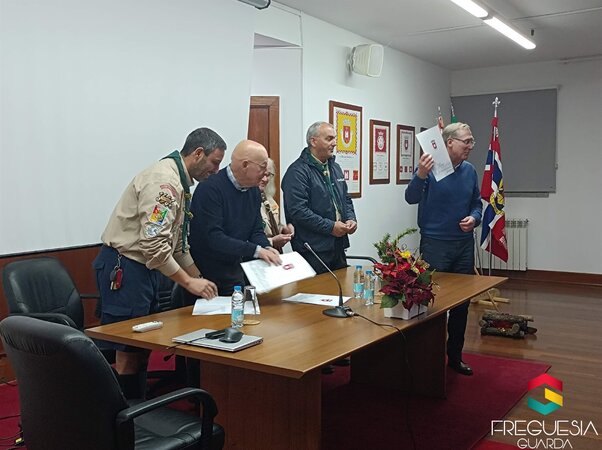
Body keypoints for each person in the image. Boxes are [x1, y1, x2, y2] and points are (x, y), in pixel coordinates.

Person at [93, 127, 225, 398]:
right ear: (198, 153)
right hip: (126, 268)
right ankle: (126, 414)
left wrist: (199, 279)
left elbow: (177, 246)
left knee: (143, 347)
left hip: (144, 269)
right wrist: (188, 282)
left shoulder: (180, 183)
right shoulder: (164, 184)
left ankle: (139, 404)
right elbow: (153, 246)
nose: (216, 170)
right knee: (129, 349)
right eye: (214, 162)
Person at [405, 122, 482, 376]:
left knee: (461, 305)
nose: (471, 146)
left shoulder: (470, 171)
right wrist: (420, 174)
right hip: (435, 245)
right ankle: (428, 358)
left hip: (463, 246)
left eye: (471, 141)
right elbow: (410, 197)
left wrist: (474, 219)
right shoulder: (430, 167)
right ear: (449, 143)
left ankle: (455, 357)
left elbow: (477, 204)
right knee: (431, 303)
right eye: (466, 141)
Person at [189, 140, 281, 296]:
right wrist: (256, 251)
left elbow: (256, 229)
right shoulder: (210, 188)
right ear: (245, 165)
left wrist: (266, 247)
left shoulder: (253, 190)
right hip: (205, 277)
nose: (265, 174)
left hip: (234, 272)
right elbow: (213, 237)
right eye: (262, 167)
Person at [281, 121, 357, 274]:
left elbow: (345, 199)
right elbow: (299, 211)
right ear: (313, 141)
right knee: (319, 289)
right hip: (313, 250)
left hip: (338, 245)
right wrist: (330, 227)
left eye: (334, 138)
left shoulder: (335, 167)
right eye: (329, 139)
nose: (334, 143)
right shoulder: (297, 172)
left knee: (342, 287)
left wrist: (351, 218)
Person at [259, 158, 295, 252]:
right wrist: (272, 241)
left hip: (273, 254)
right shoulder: (244, 202)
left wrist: (283, 229)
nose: (265, 179)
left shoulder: (269, 199)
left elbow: (272, 226)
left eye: (268, 175)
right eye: (262, 174)